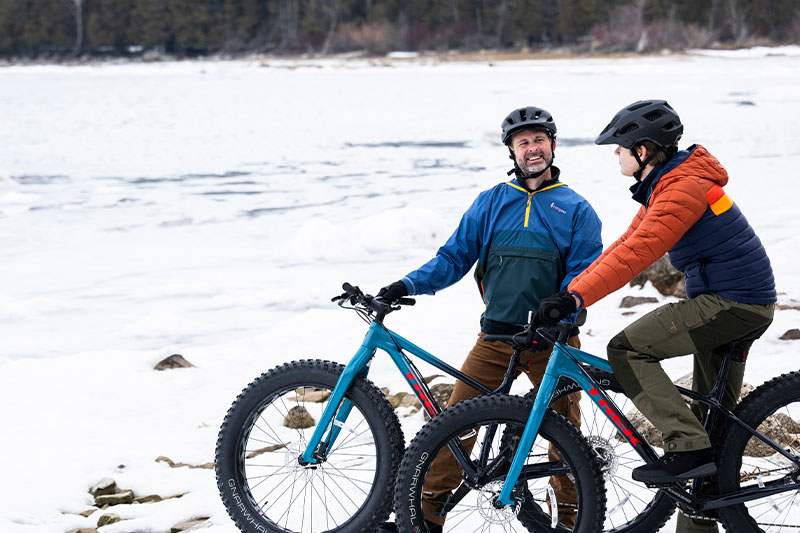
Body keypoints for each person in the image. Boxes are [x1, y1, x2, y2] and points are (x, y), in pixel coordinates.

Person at [535, 99, 776, 533]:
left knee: (627, 349)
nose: (615, 153)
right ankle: (698, 496)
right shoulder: (668, 185)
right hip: (736, 302)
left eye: (620, 146)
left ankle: (685, 447)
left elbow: (638, 254)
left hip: (733, 305)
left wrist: (574, 301)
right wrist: (571, 294)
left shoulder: (681, 189)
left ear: (642, 150)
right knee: (711, 433)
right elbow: (623, 246)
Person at [376, 106, 603, 532]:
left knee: (565, 437)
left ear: (552, 145)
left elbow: (585, 272)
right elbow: (453, 258)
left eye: (539, 140)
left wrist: (565, 311)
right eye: (523, 142)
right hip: (496, 337)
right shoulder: (491, 202)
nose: (532, 148)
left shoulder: (577, 208)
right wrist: (405, 285)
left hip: (551, 343)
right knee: (453, 423)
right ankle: (425, 516)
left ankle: (573, 521)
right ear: (512, 151)